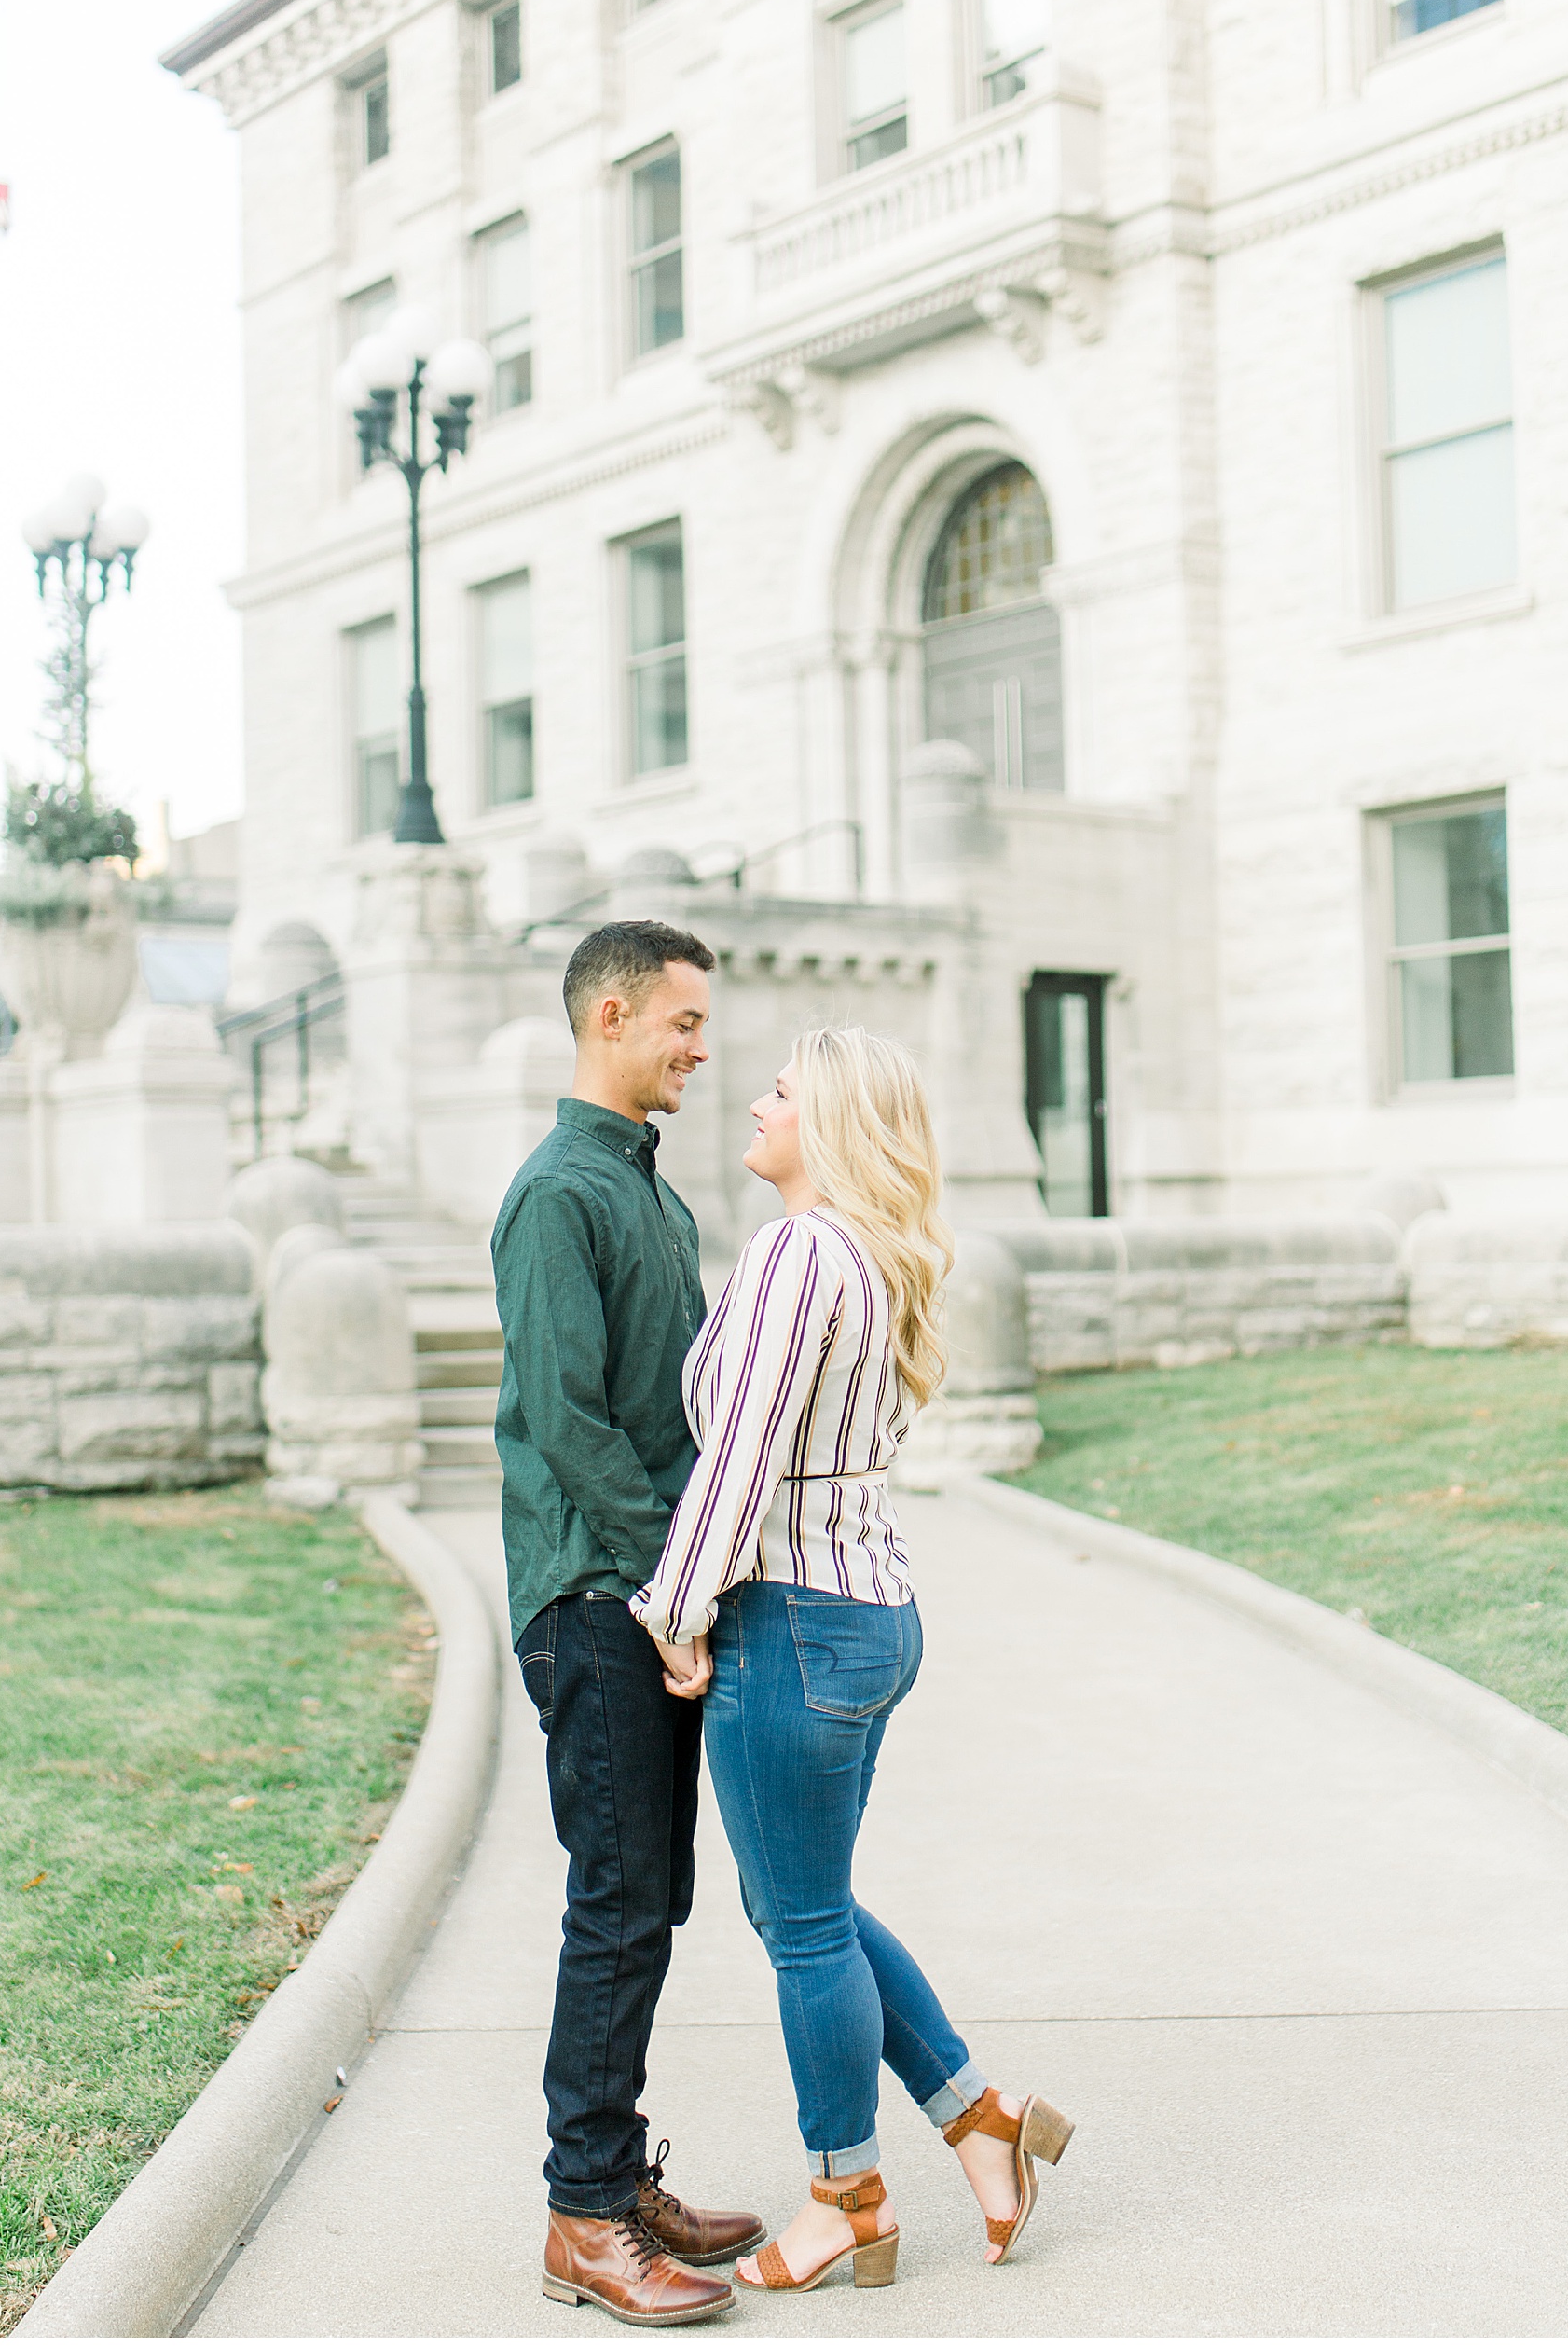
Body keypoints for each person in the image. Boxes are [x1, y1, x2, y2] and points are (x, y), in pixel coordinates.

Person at [631, 1025, 1073, 2296]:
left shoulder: (795, 1252)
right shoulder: (868, 1257)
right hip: (868, 1615)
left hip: (795, 1620)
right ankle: (982, 2120)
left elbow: (743, 1453)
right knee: (805, 1905)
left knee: (804, 1923)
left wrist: (676, 1605)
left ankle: (847, 2203)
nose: (754, 1106)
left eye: (779, 1091)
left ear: (826, 1125)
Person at [492, 918, 764, 2328]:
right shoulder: (557, 1195)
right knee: (616, 1902)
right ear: (611, 1015)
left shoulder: (651, 1193)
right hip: (598, 1598)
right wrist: (674, 1589)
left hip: (648, 1591)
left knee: (649, 1901)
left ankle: (612, 2175)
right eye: (683, 1022)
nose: (701, 1047)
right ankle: (581, 2218)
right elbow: (570, 1419)